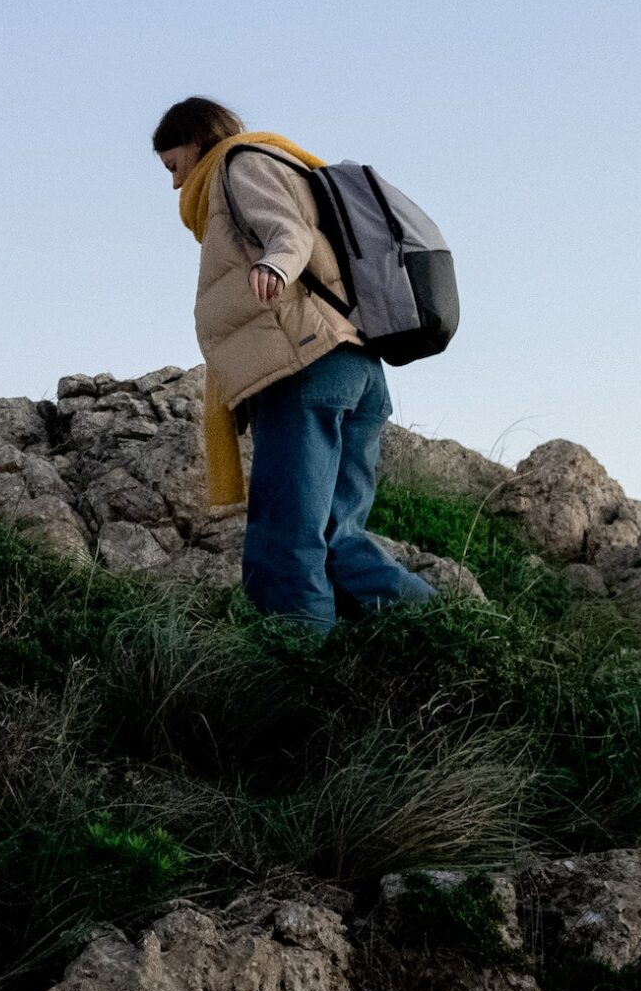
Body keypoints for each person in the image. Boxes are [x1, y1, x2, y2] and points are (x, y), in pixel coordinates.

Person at [154, 95, 433, 632]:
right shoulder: (281, 164)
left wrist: (275, 267)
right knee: (336, 537)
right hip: (353, 368)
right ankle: (443, 631)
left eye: (173, 165)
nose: (173, 183)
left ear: (196, 141)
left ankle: (296, 669)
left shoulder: (239, 164)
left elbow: (288, 232)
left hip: (304, 368)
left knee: (286, 539)